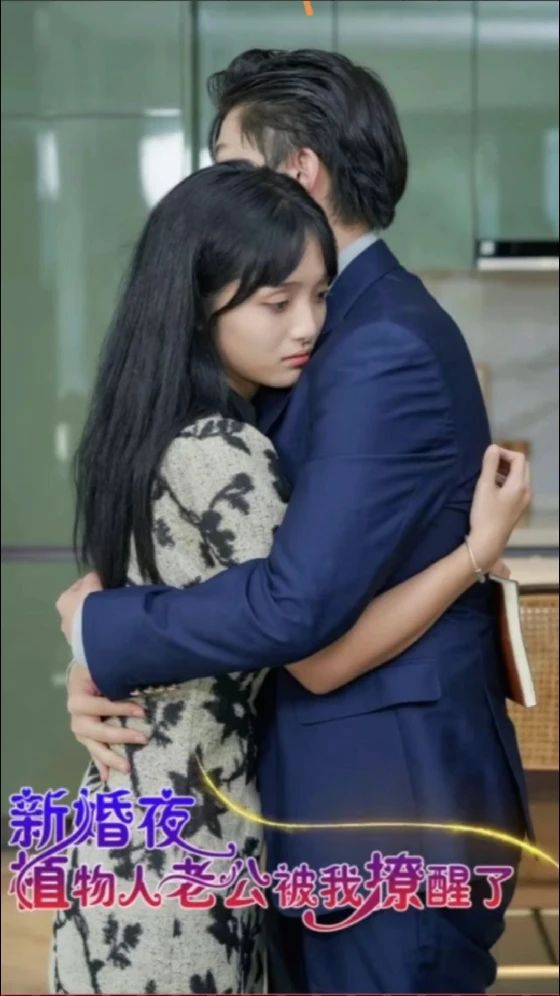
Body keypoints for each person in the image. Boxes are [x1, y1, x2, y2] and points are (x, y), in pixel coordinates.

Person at [58, 50, 532, 994]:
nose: (219, 191)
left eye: (231, 162)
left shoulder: (377, 342)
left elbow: (296, 610)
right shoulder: (322, 334)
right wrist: (99, 650)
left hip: (385, 809)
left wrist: (103, 629)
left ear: (299, 170)